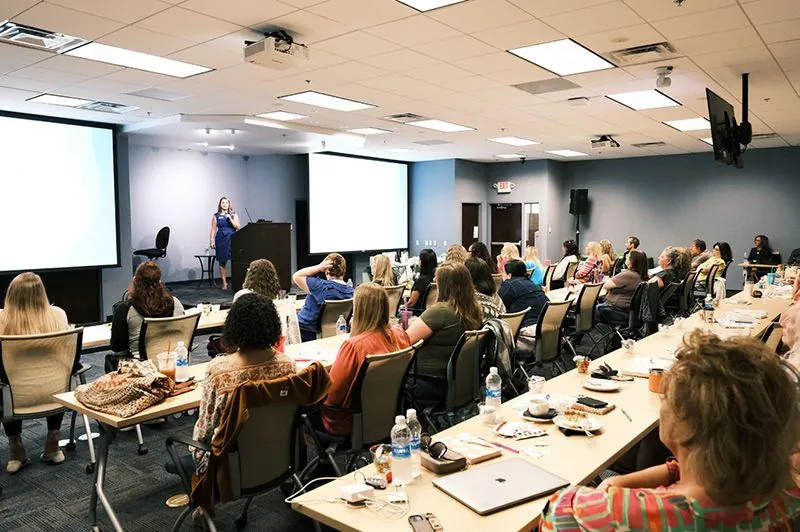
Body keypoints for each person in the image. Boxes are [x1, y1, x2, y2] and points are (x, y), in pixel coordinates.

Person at [540, 330, 800, 531]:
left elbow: (557, 510)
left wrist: (614, 488)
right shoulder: (789, 500)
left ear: (683, 425)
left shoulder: (588, 514)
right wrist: (666, 471)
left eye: (666, 398)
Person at [190, 293, 295, 475]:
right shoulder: (288, 366)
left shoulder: (219, 372)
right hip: (277, 457)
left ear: (234, 327)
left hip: (230, 467)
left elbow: (204, 433)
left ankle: (204, 500)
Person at [0, 272, 69, 473]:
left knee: (4, 382)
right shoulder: (58, 314)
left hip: (14, 398)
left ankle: (16, 450)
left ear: (11, 294)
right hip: (56, 394)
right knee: (58, 372)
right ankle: (53, 443)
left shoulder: (1, 319)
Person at [321, 283, 411, 435]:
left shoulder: (354, 346)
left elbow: (332, 398)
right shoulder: (400, 336)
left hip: (348, 422)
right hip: (389, 415)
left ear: (359, 309)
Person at [405, 262, 483, 405]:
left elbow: (404, 342)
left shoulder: (440, 311)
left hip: (426, 380)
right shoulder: (474, 310)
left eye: (437, 281)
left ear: (444, 285)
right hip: (457, 381)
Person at [111, 261, 185, 356]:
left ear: (135, 280)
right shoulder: (175, 303)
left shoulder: (125, 309)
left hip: (140, 367)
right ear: (160, 281)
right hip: (172, 361)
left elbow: (117, 347)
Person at [234, 259, 300, 345]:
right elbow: (293, 332)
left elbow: (235, 326)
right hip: (280, 347)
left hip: (251, 349)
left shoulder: (242, 296)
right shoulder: (284, 302)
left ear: (250, 275)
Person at [294, 253, 354, 342]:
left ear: (326, 270)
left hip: (306, 333)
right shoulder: (350, 292)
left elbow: (296, 276)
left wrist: (318, 267)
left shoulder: (320, 286)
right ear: (344, 271)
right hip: (334, 335)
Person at [596, 250, 648, 326]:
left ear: (632, 261)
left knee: (586, 311)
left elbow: (605, 285)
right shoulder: (641, 276)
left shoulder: (628, 275)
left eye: (628, 256)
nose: (626, 258)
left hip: (614, 310)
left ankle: (578, 334)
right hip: (628, 312)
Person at [498, 259, 549, 329]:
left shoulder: (509, 284)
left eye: (503, 272)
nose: (501, 275)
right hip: (546, 324)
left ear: (509, 275)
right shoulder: (531, 283)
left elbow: (498, 306)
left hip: (529, 328)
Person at [209, 196, 240, 290]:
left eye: (226, 203)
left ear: (229, 204)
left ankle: (236, 282)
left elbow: (238, 226)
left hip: (232, 239)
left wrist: (230, 218)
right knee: (222, 262)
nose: (225, 204)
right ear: (220, 204)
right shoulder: (216, 216)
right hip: (221, 239)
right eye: (223, 203)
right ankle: (224, 283)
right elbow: (213, 229)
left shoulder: (234, 215)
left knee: (235, 261)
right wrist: (211, 240)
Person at [408, 249, 437, 316]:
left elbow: (412, 303)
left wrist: (402, 307)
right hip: (431, 313)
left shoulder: (421, 281)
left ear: (421, 262)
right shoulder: (436, 278)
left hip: (418, 314)